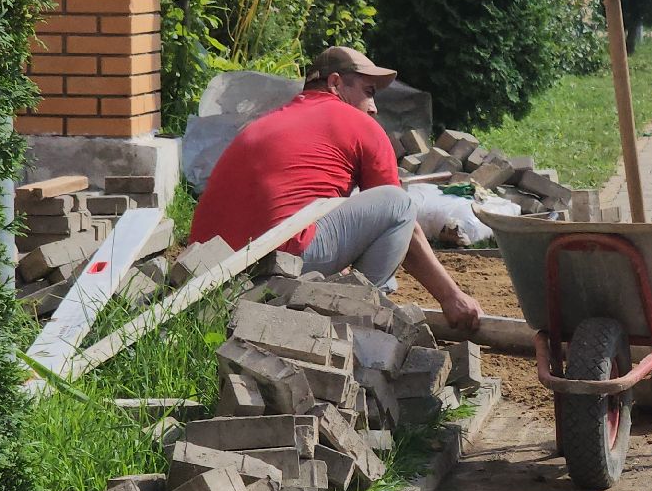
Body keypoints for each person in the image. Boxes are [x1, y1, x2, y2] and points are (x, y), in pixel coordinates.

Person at [189, 45, 482, 330]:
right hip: (278, 264)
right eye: (369, 93)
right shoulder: (360, 124)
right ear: (335, 83)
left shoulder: (266, 122)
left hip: (208, 271)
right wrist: (451, 297)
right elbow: (407, 227)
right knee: (399, 203)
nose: (374, 107)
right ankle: (356, 322)